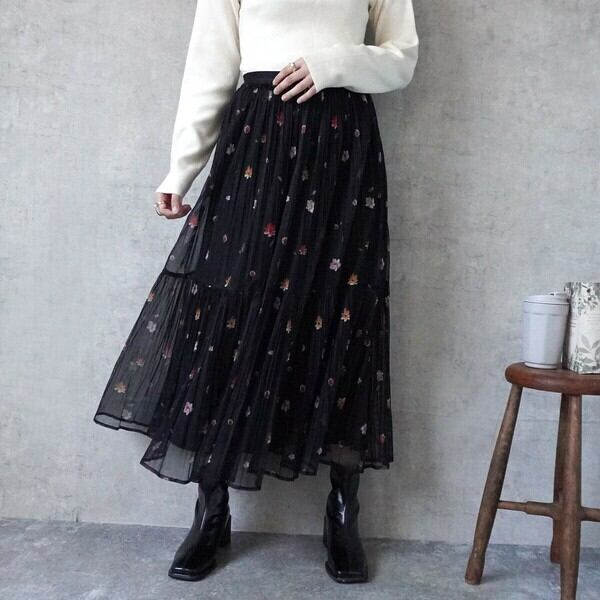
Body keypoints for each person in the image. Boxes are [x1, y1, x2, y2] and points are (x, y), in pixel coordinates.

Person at [93, 0, 419, 585]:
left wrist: (333, 64)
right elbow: (210, 67)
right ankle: (211, 508)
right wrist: (181, 169)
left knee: (342, 314)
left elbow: (402, 58)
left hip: (341, 150)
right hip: (257, 148)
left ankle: (343, 510)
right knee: (226, 313)